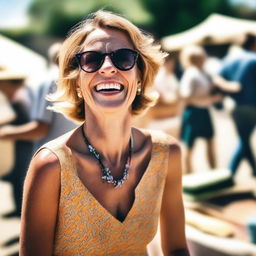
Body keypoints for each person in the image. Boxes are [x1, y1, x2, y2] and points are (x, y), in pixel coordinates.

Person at [19, 10, 190, 256]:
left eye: (123, 58)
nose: (108, 68)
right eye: (91, 59)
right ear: (76, 80)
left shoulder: (166, 153)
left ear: (140, 75)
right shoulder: (50, 166)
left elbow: (176, 249)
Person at [0, 42, 78, 153]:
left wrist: (7, 132)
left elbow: (40, 130)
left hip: (52, 155)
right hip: (74, 153)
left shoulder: (50, 82)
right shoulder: (79, 81)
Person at [179, 45, 223, 174]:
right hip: (193, 113)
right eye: (202, 56)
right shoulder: (191, 74)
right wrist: (211, 99)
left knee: (209, 142)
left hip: (203, 111)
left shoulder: (201, 72)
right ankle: (189, 177)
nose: (204, 58)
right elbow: (186, 97)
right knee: (189, 146)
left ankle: (214, 173)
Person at [219, 34, 256, 177]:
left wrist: (229, 87)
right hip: (251, 105)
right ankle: (230, 173)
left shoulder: (228, 60)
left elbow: (217, 79)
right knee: (244, 140)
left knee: (244, 138)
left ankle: (253, 170)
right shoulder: (253, 59)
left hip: (233, 105)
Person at [0, 67, 33, 217]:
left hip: (26, 143)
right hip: (20, 143)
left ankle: (22, 211)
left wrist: (8, 131)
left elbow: (26, 122)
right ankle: (19, 209)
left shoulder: (20, 99)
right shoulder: (20, 97)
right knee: (17, 176)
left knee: (21, 176)